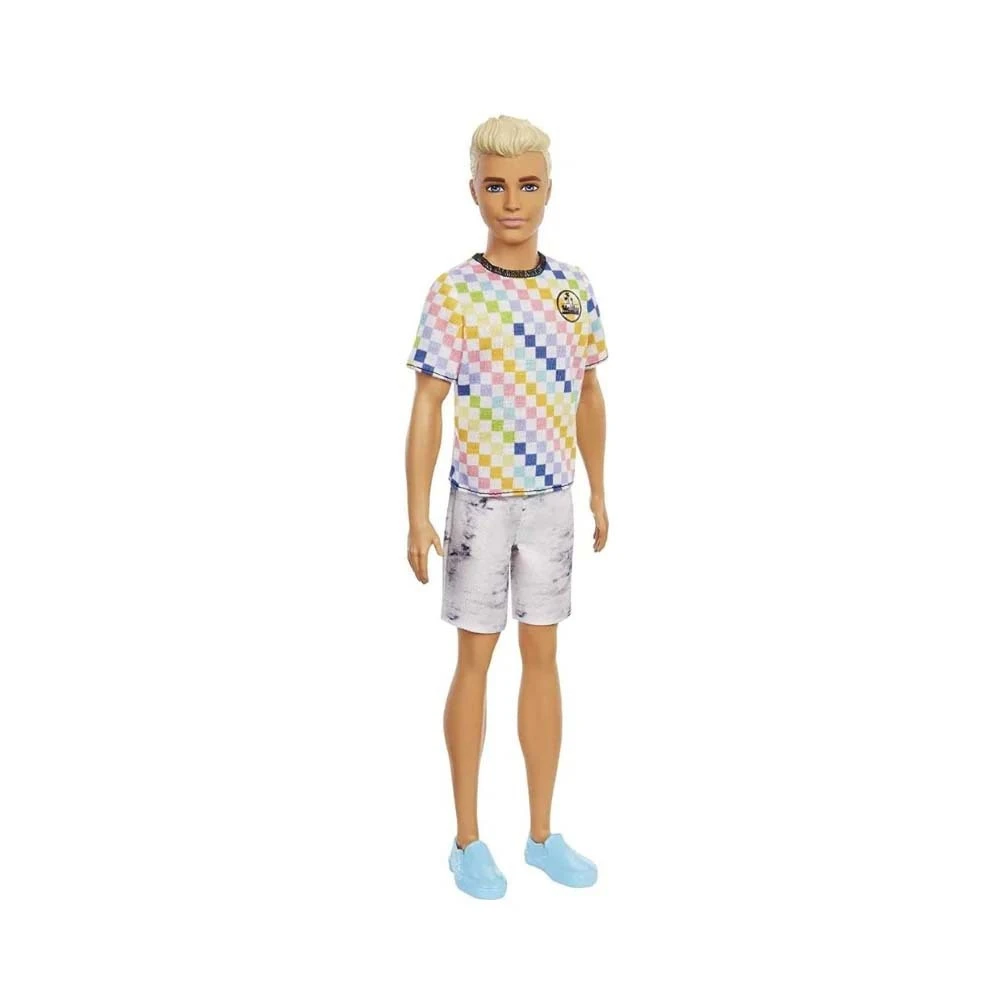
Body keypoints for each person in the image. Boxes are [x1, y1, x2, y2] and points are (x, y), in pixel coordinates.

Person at [403, 114, 609, 899]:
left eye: (527, 185)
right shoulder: (455, 292)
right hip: (480, 503)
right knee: (475, 662)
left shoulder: (571, 289)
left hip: (551, 500)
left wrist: (599, 487)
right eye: (496, 186)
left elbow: (589, 392)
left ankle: (543, 833)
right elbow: (427, 403)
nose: (512, 202)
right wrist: (416, 512)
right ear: (474, 192)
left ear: (549, 190)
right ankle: (466, 839)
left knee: (544, 660)